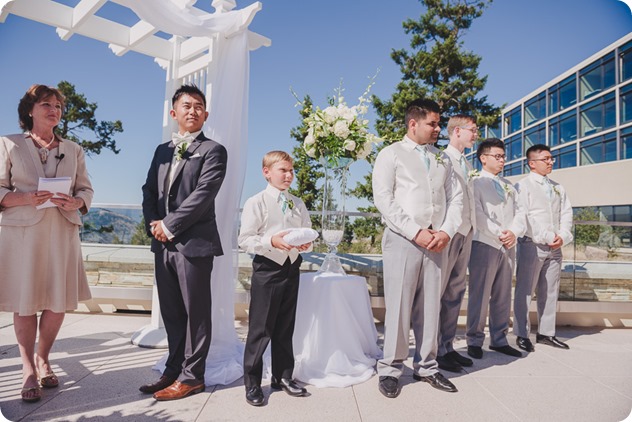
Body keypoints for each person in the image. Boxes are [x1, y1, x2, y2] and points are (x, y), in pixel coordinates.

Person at [0, 84, 93, 403]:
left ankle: (43, 358)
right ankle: (28, 369)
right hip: (22, 234)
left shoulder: (74, 149)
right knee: (25, 301)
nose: (54, 109)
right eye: (45, 104)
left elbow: (86, 190)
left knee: (57, 301)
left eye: (57, 105)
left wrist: (77, 203)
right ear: (30, 110)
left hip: (61, 232)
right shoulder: (8, 144)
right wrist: (23, 197)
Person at [140, 84, 227, 401]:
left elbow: (203, 196)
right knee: (172, 313)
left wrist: (169, 224)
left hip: (194, 244)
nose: (193, 110)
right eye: (187, 105)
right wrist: (154, 226)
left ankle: (193, 378)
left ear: (205, 114)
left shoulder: (214, 151)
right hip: (161, 243)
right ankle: (172, 369)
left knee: (196, 313)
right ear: (174, 112)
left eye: (199, 106)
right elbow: (149, 190)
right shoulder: (162, 150)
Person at [372, 99, 463, 398]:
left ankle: (427, 366)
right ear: (413, 124)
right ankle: (390, 368)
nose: (438, 129)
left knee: (431, 307)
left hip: (438, 242)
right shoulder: (390, 154)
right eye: (433, 124)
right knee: (399, 306)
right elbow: (384, 199)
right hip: (403, 239)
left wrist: (447, 232)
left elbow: (456, 199)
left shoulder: (443, 160)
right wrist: (415, 232)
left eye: (438, 124)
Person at [238, 150, 313, 407]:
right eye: (283, 170)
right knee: (261, 330)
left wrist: (305, 246)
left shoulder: (297, 203)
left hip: (292, 269)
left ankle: (283, 377)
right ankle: (252, 383)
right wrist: (272, 240)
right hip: (267, 270)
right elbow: (245, 240)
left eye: (291, 170)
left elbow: (307, 234)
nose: (289, 175)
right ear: (267, 172)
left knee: (285, 328)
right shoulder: (256, 202)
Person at [466, 138, 525, 360]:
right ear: (483, 158)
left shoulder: (509, 185)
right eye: (497, 156)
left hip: (508, 245)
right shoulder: (475, 182)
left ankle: (499, 340)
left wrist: (513, 233)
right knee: (479, 295)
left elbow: (521, 213)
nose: (502, 160)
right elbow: (477, 214)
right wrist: (498, 233)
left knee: (502, 294)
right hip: (485, 243)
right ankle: (474, 340)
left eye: (503, 156)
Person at [513, 144, 573, 352]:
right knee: (525, 291)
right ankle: (521, 333)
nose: (551, 162)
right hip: (532, 244)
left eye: (551, 158)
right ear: (532, 163)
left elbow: (566, 214)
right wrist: (548, 236)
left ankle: (546, 333)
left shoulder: (558, 187)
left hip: (556, 247)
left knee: (550, 290)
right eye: (545, 159)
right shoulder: (522, 186)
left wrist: (563, 236)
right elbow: (524, 215)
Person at [436, 114, 478, 373]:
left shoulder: (465, 162)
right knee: (438, 293)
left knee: (455, 293)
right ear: (458, 131)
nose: (476, 135)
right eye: (473, 130)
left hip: (466, 232)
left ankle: (447, 347)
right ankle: (433, 351)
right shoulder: (443, 159)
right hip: (448, 233)